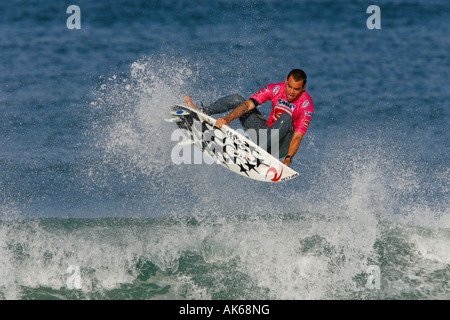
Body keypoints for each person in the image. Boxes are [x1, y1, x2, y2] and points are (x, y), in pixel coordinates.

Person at [184, 69, 314, 167]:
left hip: (280, 145)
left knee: (286, 117)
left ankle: (255, 153)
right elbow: (247, 106)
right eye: (289, 86)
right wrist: (227, 120)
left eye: (296, 89)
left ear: (303, 88)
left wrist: (289, 157)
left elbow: (298, 136)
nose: (291, 92)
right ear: (286, 81)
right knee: (238, 99)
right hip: (264, 134)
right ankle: (202, 112)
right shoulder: (275, 89)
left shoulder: (306, 105)